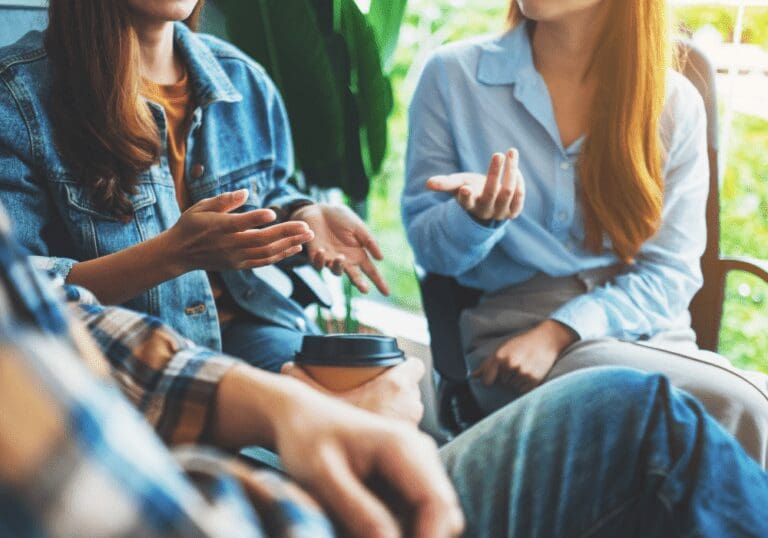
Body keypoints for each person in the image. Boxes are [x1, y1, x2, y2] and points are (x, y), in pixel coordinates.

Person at [1, 203, 767, 537]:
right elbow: (437, 256)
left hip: (268, 396)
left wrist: (280, 405)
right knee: (639, 420)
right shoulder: (24, 88)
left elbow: (47, 312)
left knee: (671, 402)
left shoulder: (238, 77)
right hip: (214, 465)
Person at [402, 0, 768, 465]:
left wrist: (561, 332)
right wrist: (476, 219)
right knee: (741, 406)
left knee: (732, 406)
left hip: (645, 335)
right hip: (514, 349)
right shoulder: (453, 77)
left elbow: (671, 274)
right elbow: (430, 253)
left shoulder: (673, 100)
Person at [0, 0, 389, 373]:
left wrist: (302, 214)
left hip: (251, 331)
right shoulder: (18, 95)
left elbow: (270, 192)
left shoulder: (242, 78)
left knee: (378, 395)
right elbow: (17, 291)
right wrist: (174, 254)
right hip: (121, 354)